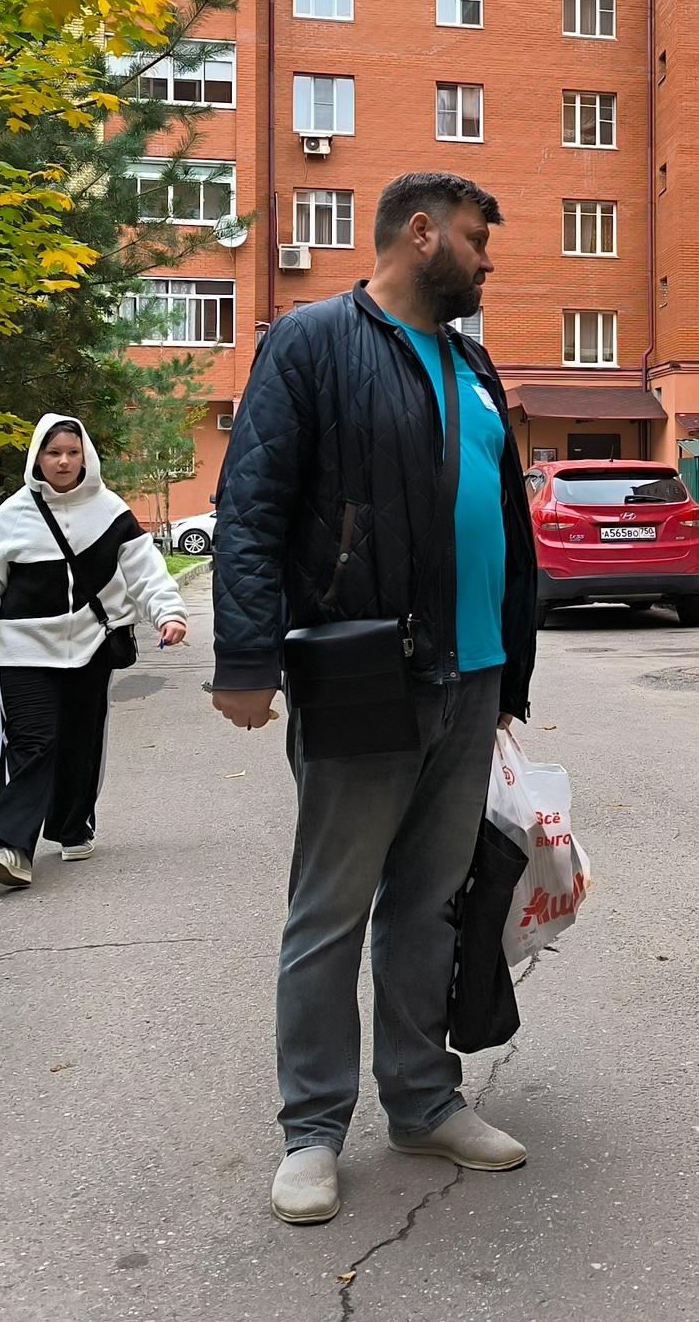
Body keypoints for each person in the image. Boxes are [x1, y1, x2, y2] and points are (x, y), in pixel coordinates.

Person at [210, 172, 537, 1228]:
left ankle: (421, 1099)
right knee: (330, 910)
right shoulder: (311, 343)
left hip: (470, 674)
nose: (489, 262)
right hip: (362, 673)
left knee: (427, 905)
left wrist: (509, 680)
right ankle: (311, 1130)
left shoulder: (472, 362)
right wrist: (247, 658)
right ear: (420, 232)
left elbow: (502, 526)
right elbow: (252, 503)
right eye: (478, 242)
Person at [0, 416, 188, 888]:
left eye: (71, 452)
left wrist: (168, 613)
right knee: (31, 740)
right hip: (25, 647)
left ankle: (71, 826)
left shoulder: (110, 511)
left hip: (91, 645)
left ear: (84, 456)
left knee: (80, 741)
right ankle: (7, 846)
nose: (63, 462)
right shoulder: (12, 514)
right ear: (36, 459)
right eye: (52, 453)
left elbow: (146, 572)